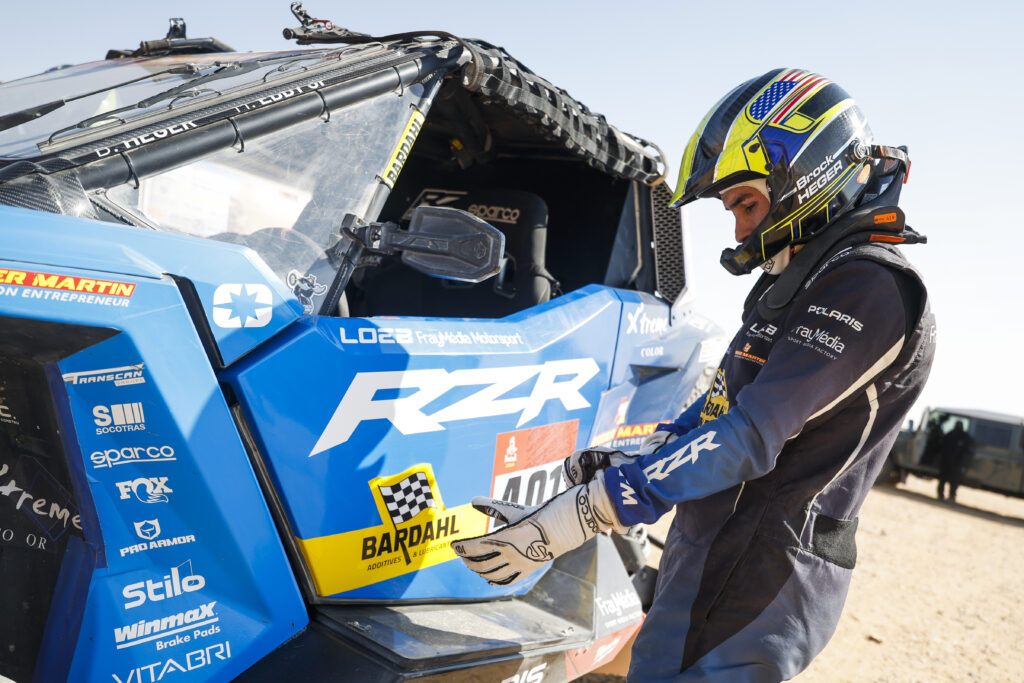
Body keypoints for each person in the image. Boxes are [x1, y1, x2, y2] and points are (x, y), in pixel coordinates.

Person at [452, 68, 936, 681]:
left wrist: (586, 513)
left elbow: (750, 435)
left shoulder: (869, 286)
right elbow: (718, 408)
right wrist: (633, 459)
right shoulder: (802, 281)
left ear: (806, 173)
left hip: (755, 581)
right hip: (710, 556)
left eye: (746, 204)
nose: (739, 231)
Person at [937, 422, 974, 502]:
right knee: (953, 481)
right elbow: (968, 448)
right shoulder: (964, 436)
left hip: (947, 461)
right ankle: (951, 496)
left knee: (943, 479)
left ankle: (941, 494)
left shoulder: (950, 434)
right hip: (956, 463)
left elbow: (941, 443)